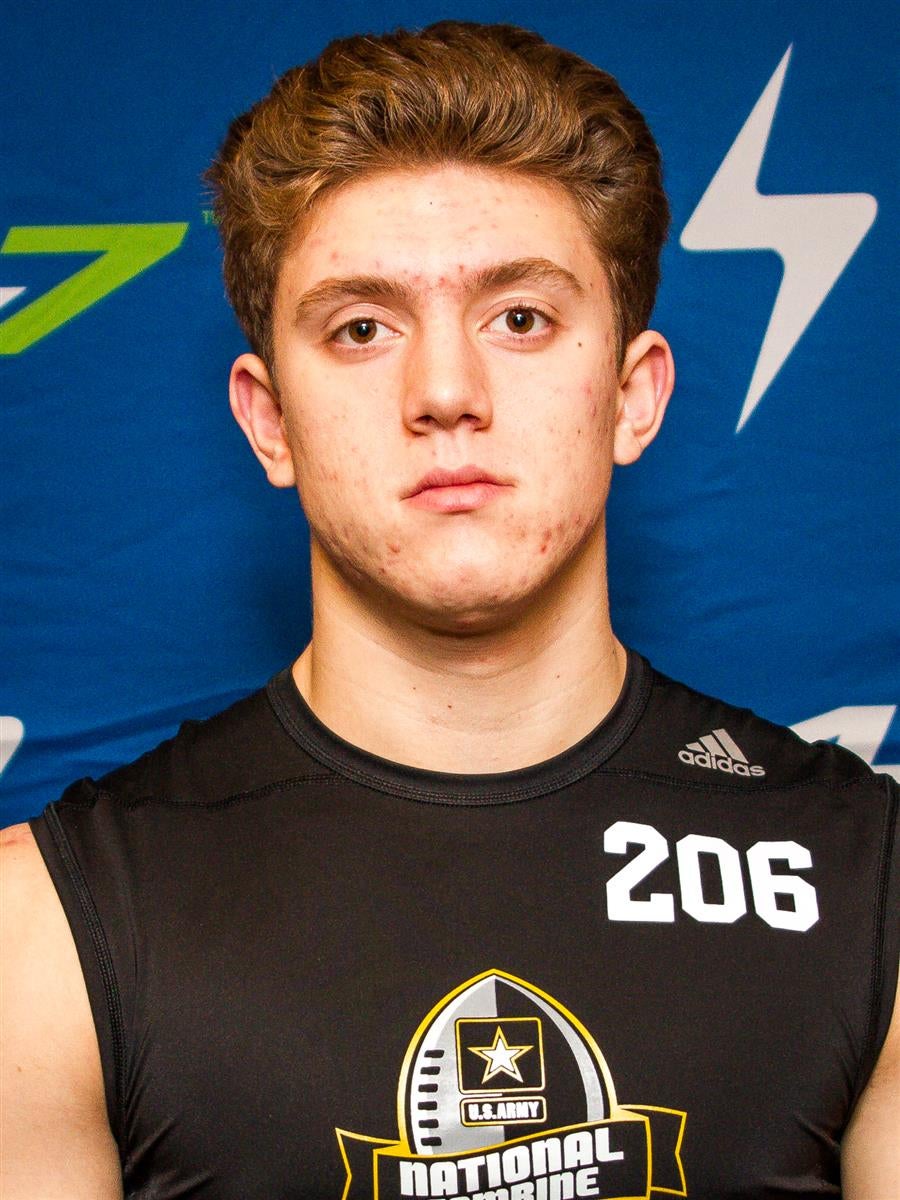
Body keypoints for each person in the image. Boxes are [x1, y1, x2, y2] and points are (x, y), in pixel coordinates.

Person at [1, 20, 897, 1199]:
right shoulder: (44, 929)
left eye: (520, 317)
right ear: (270, 421)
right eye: (362, 328)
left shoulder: (871, 881)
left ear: (632, 396)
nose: (444, 392)